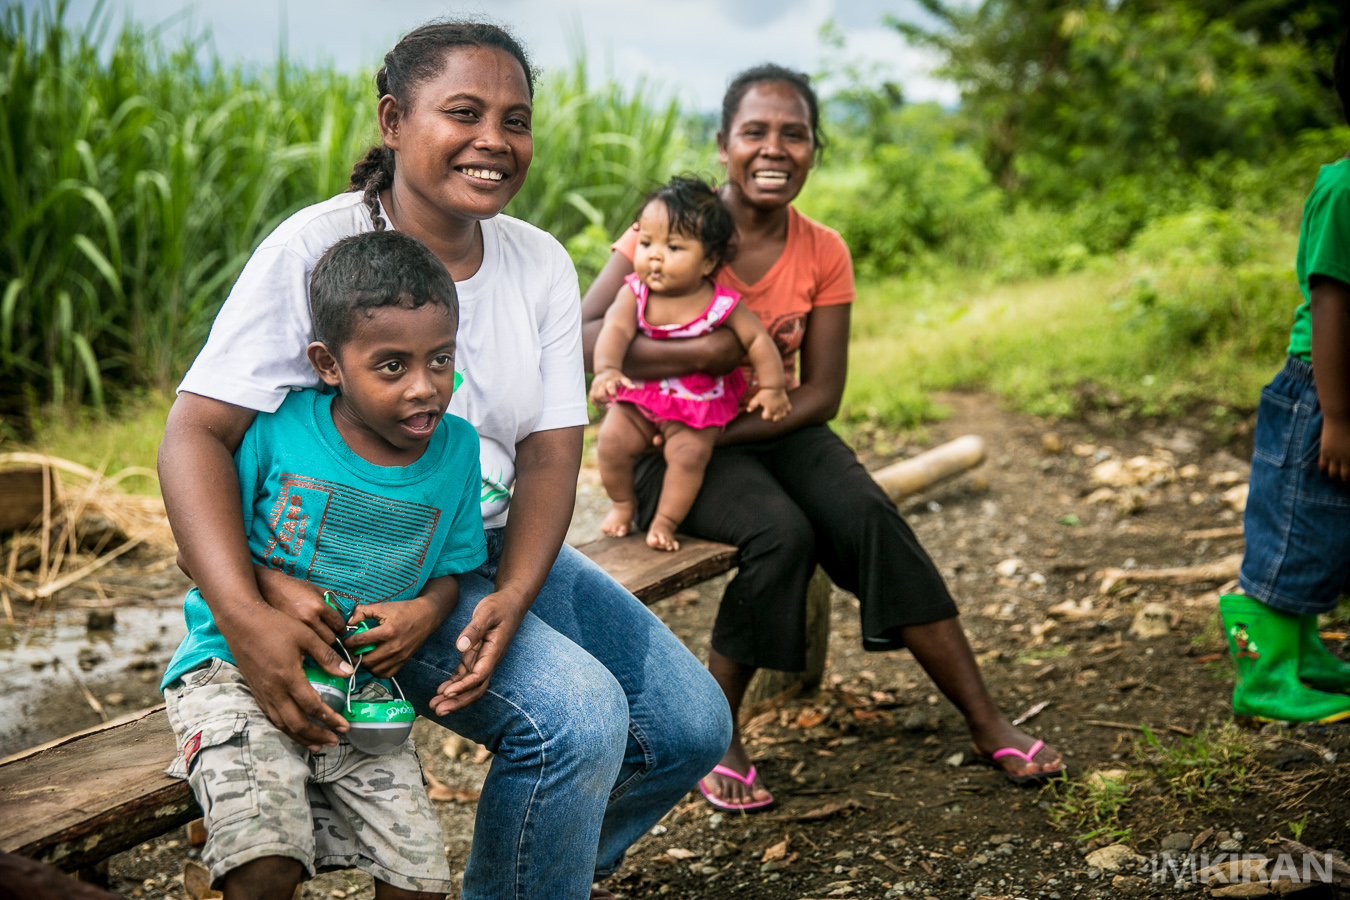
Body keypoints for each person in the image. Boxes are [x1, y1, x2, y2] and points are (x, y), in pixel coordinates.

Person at [157, 21, 731, 900]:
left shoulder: (536, 262)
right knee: (576, 722)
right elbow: (194, 433)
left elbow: (548, 451)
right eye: (463, 113)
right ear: (394, 120)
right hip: (365, 567)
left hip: (489, 546)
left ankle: (536, 872)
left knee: (690, 729)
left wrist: (512, 593)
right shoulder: (315, 252)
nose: (495, 141)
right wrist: (244, 612)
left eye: (516, 120)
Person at [582, 63, 1064, 812]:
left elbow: (823, 392)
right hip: (664, 442)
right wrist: (701, 361)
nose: (774, 148)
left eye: (794, 133)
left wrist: (729, 424)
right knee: (781, 532)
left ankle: (984, 718)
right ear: (723, 146)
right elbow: (586, 335)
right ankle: (717, 734)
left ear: (813, 148)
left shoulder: (823, 249)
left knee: (869, 514)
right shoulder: (670, 224)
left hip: (770, 426)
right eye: (755, 132)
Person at [160, 231, 485, 899]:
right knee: (266, 862)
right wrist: (270, 589)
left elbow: (452, 568)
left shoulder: (456, 450)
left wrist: (424, 611)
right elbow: (196, 545)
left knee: (420, 880)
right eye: (391, 366)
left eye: (441, 360)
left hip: (364, 696)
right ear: (328, 364)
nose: (425, 388)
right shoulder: (278, 431)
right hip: (234, 669)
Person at [1218, 30, 1350, 725]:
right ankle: (1264, 678)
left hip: (1339, 397)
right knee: (1294, 528)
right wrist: (1337, 415)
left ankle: (1303, 653)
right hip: (1318, 392)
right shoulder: (1345, 187)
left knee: (1329, 531)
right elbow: (1330, 304)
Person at [590, 176, 791, 551]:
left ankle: (665, 521)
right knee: (611, 440)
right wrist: (607, 370)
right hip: (642, 398)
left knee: (689, 457)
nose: (654, 255)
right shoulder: (634, 291)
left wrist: (773, 388)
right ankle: (622, 504)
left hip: (696, 405)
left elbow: (757, 340)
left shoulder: (722, 303)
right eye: (646, 243)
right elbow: (614, 330)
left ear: (709, 260)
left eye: (674, 246)